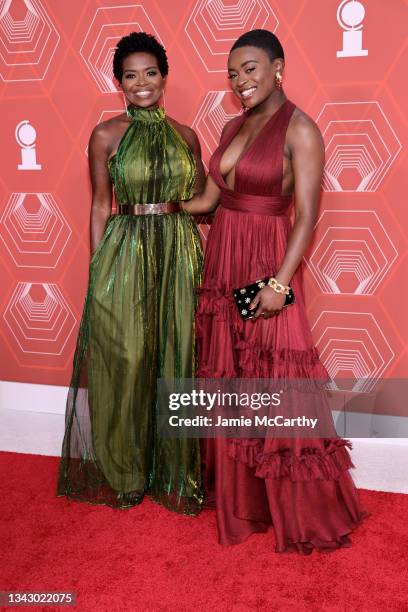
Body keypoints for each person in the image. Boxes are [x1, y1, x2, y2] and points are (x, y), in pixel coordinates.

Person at [182, 29, 367, 551]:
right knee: (233, 375)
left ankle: (302, 509)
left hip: (268, 260)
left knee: (277, 378)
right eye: (234, 72)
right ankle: (244, 501)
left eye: (251, 68)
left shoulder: (301, 129)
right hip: (225, 256)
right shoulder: (233, 123)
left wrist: (280, 285)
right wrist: (154, 211)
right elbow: (210, 200)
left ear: (278, 67)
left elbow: (307, 216)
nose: (241, 80)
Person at [57, 32, 205, 515]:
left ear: (165, 76)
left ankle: (175, 468)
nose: (141, 84)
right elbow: (101, 204)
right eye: (130, 75)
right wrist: (100, 267)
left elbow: (204, 198)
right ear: (118, 81)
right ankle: (126, 471)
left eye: (150, 73)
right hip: (125, 248)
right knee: (127, 360)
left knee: (178, 358)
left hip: (179, 251)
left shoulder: (187, 136)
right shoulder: (106, 134)